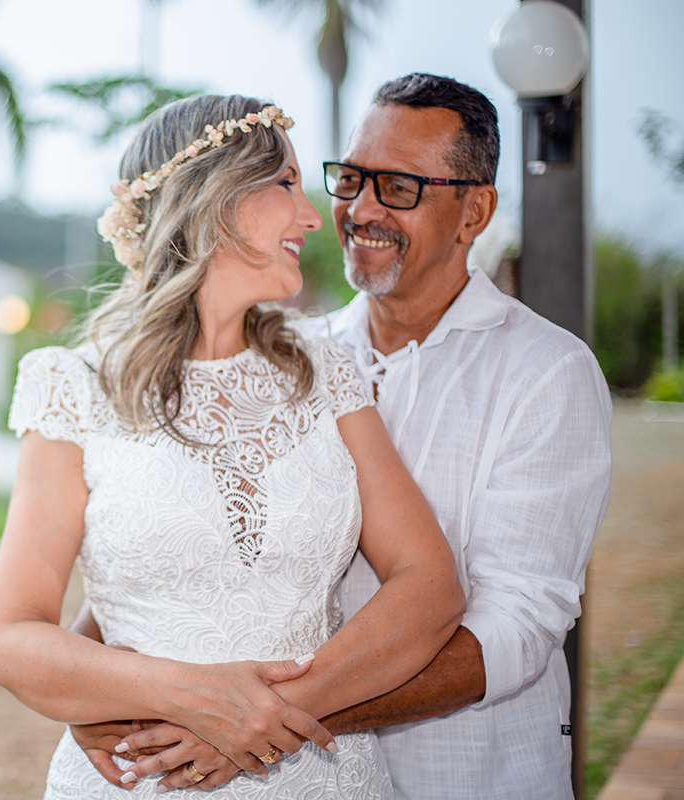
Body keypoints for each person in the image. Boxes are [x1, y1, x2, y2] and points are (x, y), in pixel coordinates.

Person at [76, 74, 612, 800]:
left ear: (473, 211)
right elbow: (185, 531)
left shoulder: (548, 372)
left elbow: (518, 621)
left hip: (466, 772)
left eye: (398, 187)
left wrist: (258, 719)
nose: (359, 209)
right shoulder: (289, 354)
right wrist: (91, 673)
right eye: (351, 178)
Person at [0, 93, 465, 799]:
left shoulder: (325, 373)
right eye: (287, 183)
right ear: (214, 197)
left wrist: (270, 713)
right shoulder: (73, 386)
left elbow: (430, 582)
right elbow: (12, 637)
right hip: (148, 779)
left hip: (325, 778)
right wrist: (188, 697)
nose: (310, 216)